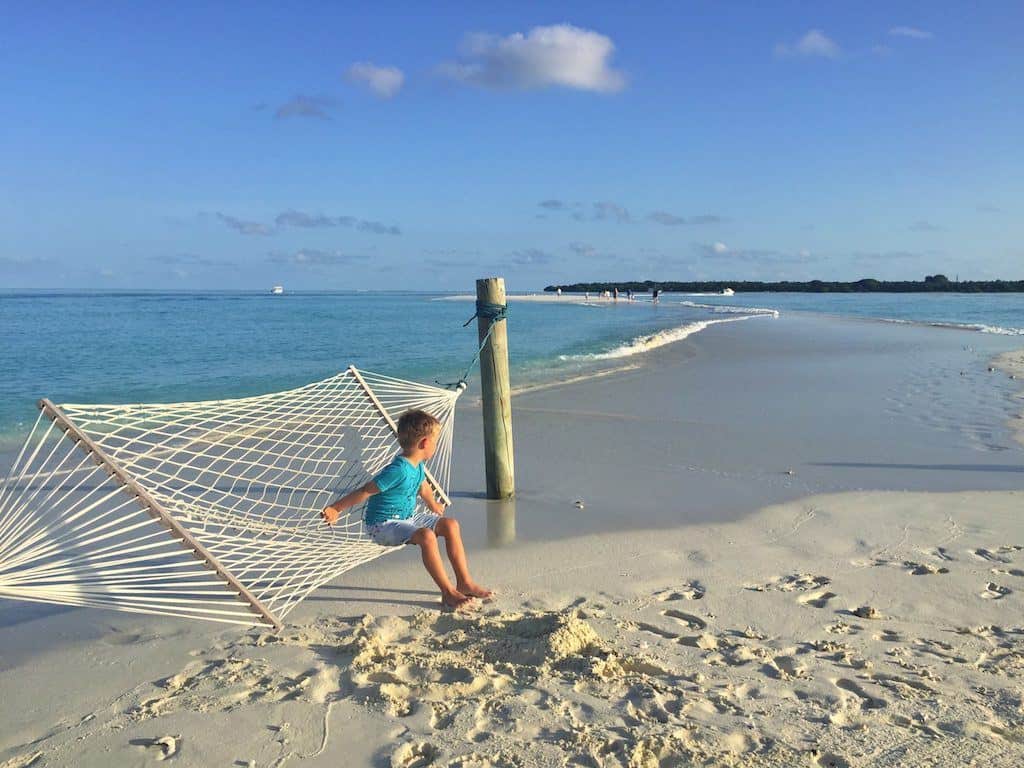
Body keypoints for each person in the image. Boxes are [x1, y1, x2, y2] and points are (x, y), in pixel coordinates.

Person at [320, 409, 491, 610]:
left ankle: (464, 582)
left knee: (451, 525)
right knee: (427, 536)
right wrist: (336, 508)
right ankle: (447, 593)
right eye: (436, 441)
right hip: (382, 525)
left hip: (408, 518)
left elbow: (423, 486)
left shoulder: (417, 464)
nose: (436, 446)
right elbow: (366, 491)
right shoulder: (397, 470)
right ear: (425, 443)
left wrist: (432, 504)